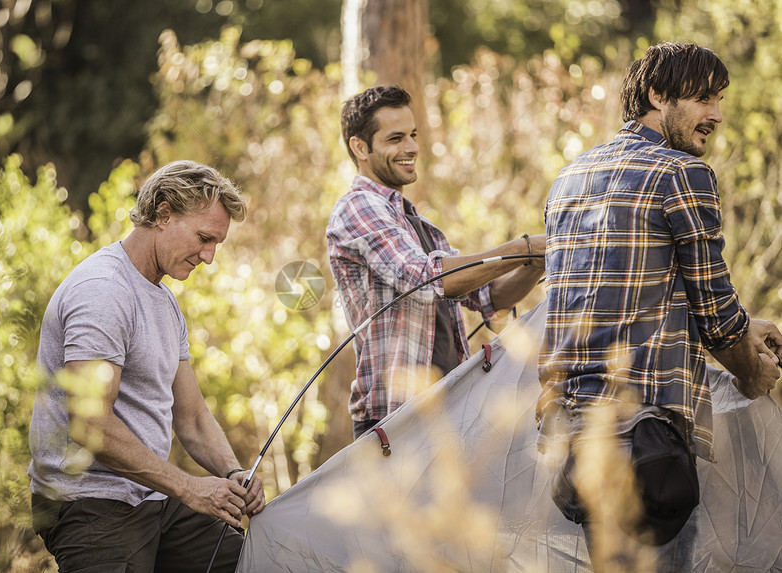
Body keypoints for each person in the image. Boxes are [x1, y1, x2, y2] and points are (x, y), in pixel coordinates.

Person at [537, 42, 782, 570]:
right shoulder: (681, 174)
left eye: (718, 100)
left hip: (576, 438)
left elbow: (626, 296)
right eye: (701, 99)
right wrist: (751, 373)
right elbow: (716, 313)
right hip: (646, 440)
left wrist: (747, 328)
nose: (714, 114)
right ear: (655, 94)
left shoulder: (571, 178)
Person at [28, 160, 265, 573]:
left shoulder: (164, 303)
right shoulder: (103, 291)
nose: (209, 257)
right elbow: (89, 424)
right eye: (204, 238)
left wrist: (235, 472)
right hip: (90, 502)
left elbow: (190, 416)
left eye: (217, 245)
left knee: (254, 563)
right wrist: (190, 487)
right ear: (163, 212)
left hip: (152, 498)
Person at [327, 85, 546, 439]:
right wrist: (522, 248)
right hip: (395, 422)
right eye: (395, 138)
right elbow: (427, 278)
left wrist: (535, 262)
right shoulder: (359, 206)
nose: (411, 147)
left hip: (448, 408)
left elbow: (490, 298)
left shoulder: (415, 222)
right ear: (360, 147)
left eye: (413, 135)